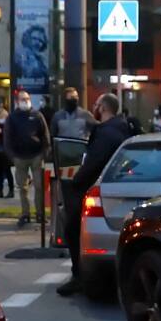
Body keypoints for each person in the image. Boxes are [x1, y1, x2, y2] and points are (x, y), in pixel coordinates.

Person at [58, 94, 131, 295]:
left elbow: (93, 163)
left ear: (104, 108)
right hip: (116, 187)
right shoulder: (122, 129)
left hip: (99, 188)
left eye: (97, 104)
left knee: (74, 228)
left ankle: (79, 276)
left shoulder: (106, 134)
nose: (94, 107)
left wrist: (76, 181)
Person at [4, 90, 48, 223]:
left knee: (39, 187)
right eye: (23, 99)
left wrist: (44, 153)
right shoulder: (12, 117)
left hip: (36, 156)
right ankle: (25, 214)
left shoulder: (37, 115)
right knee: (22, 188)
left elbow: (45, 134)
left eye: (27, 98)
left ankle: (40, 214)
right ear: (17, 102)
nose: (25, 101)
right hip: (19, 157)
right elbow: (7, 138)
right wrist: (12, 156)